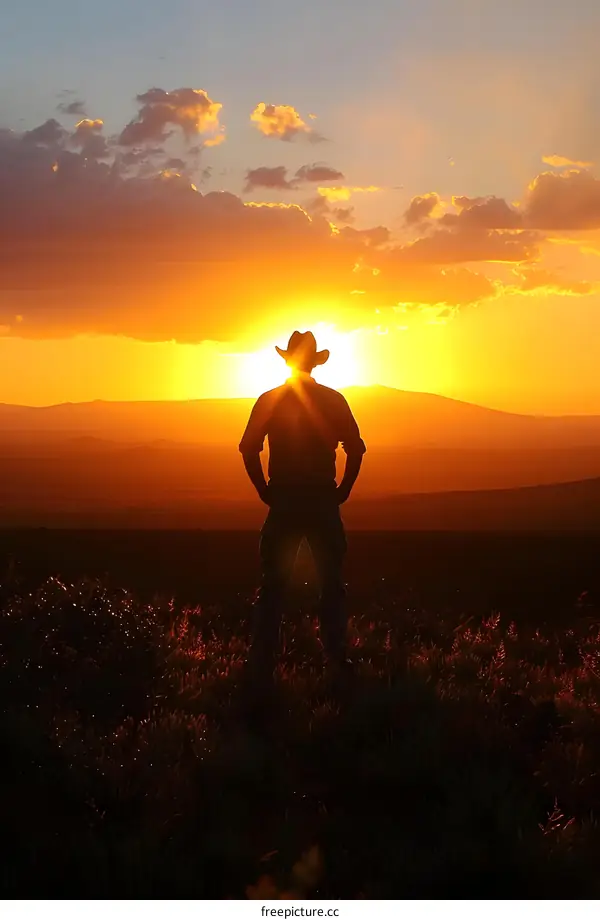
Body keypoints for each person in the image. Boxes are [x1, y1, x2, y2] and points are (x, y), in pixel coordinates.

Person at [239, 330, 366, 688]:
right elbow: (356, 449)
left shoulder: (270, 400)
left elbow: (248, 448)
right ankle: (336, 659)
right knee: (331, 582)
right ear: (315, 363)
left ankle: (262, 661)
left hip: (284, 500)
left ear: (288, 361)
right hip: (322, 499)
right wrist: (343, 489)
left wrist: (264, 489)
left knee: (273, 584)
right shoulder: (333, 400)